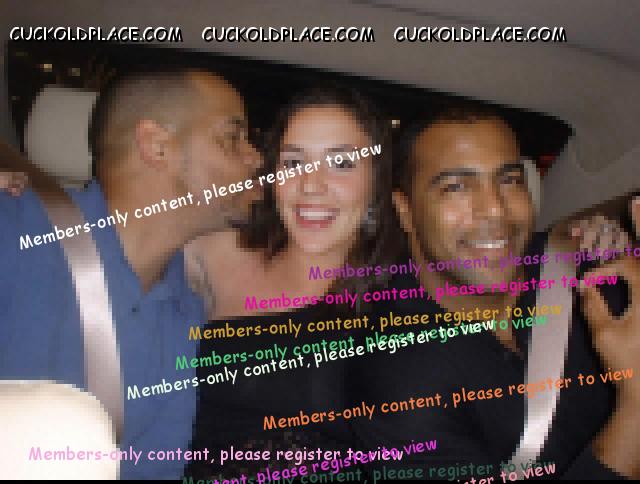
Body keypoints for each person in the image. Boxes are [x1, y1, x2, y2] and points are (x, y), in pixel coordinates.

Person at [348, 99, 640, 479]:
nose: (496, 210)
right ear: (405, 210)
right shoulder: (394, 380)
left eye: (509, 180)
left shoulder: (587, 268)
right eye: (455, 187)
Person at [0, 67, 261, 479]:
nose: (256, 158)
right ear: (157, 146)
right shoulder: (14, 230)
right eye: (232, 138)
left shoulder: (183, 310)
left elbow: (151, 468)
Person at [185, 85, 397, 479]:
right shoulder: (218, 253)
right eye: (294, 162)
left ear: (376, 185)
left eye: (342, 163)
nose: (311, 185)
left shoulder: (401, 294)